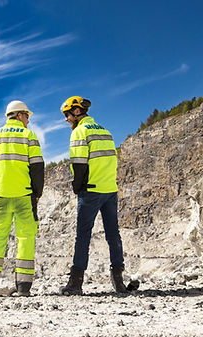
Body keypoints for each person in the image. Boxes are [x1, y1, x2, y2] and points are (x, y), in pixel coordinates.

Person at [59, 96, 128, 295]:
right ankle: (119, 281)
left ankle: (75, 283)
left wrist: (77, 187)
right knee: (113, 234)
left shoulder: (79, 132)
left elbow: (79, 165)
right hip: (110, 190)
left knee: (83, 235)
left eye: (67, 114)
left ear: (78, 112)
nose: (66, 119)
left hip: (91, 190)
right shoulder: (105, 131)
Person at [0, 100, 44, 297]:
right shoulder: (28, 136)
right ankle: (23, 289)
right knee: (25, 238)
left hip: (1, 195)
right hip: (24, 195)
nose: (29, 121)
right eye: (27, 117)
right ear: (20, 115)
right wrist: (37, 192)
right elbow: (38, 167)